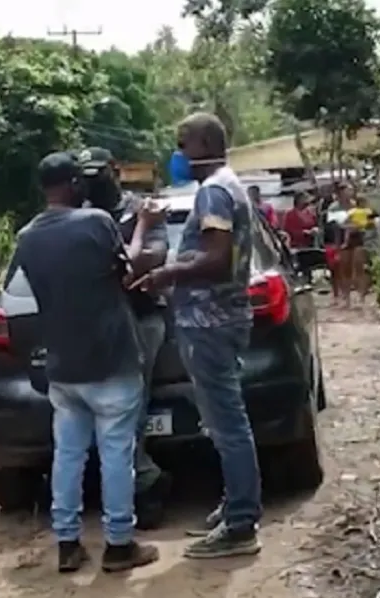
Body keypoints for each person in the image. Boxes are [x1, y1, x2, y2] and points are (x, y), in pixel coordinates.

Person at [8, 151, 160, 573]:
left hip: (62, 366)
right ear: (76, 185)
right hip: (111, 359)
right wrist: (145, 225)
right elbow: (128, 273)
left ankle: (68, 543)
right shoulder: (97, 223)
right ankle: (118, 544)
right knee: (115, 452)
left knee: (69, 454)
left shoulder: (26, 237)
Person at [133, 113, 261, 559]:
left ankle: (241, 523)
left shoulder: (213, 191)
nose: (178, 154)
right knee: (224, 420)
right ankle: (235, 508)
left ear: (204, 142)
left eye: (182, 144)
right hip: (221, 318)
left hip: (209, 322)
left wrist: (169, 272)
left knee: (227, 424)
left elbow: (217, 258)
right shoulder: (228, 184)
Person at [78, 146, 172, 530]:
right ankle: (143, 482)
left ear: (115, 171)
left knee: (130, 405)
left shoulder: (143, 208)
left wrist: (119, 264)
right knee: (115, 410)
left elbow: (154, 256)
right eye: (84, 177)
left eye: (97, 174)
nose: (91, 183)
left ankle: (139, 487)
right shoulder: (81, 216)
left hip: (142, 317)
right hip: (97, 324)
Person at [345, 194, 376, 305]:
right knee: (361, 270)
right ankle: (361, 294)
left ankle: (362, 294)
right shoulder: (364, 213)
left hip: (364, 243)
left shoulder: (365, 213)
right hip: (361, 243)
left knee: (361, 270)